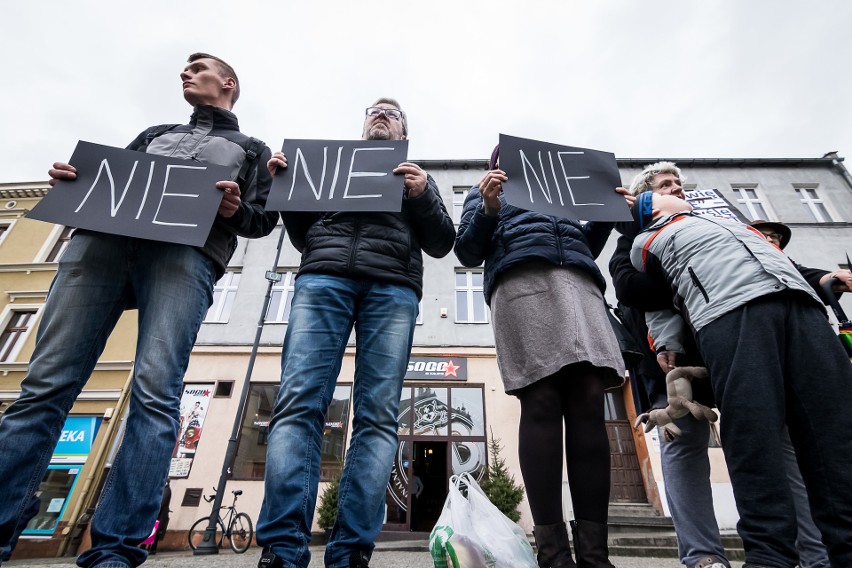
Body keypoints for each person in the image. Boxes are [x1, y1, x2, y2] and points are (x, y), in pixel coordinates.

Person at [0, 53, 277, 568]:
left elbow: (263, 221)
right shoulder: (154, 132)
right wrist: (75, 181)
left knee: (156, 393)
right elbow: (107, 182)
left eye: (199, 67)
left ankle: (116, 548)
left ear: (229, 82)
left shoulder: (252, 148)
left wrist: (236, 208)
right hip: (100, 246)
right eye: (184, 68)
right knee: (43, 387)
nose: (185, 73)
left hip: (184, 256)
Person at [256, 98, 455, 568]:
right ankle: (283, 550)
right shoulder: (330, 168)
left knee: (378, 416)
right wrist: (288, 187)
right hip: (323, 277)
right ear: (363, 123)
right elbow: (304, 234)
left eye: (393, 112)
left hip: (393, 288)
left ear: (404, 129)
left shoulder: (417, 174)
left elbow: (443, 241)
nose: (382, 114)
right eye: (374, 110)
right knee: (298, 404)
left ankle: (350, 553)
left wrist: (423, 193)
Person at [610, 163, 834, 568]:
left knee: (779, 442)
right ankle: (703, 556)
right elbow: (631, 288)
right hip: (679, 359)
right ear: (646, 200)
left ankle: (814, 552)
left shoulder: (719, 225)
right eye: (665, 186)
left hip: (747, 337)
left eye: (679, 184)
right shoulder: (636, 241)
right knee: (687, 443)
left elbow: (785, 267)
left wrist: (823, 278)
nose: (677, 188)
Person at [454, 146, 625, 568]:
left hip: (579, 287)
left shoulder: (561, 194)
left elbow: (586, 243)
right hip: (522, 282)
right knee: (542, 399)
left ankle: (595, 556)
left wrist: (606, 212)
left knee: (589, 398)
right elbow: (466, 252)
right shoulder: (483, 193)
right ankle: (553, 554)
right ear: (497, 162)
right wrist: (490, 208)